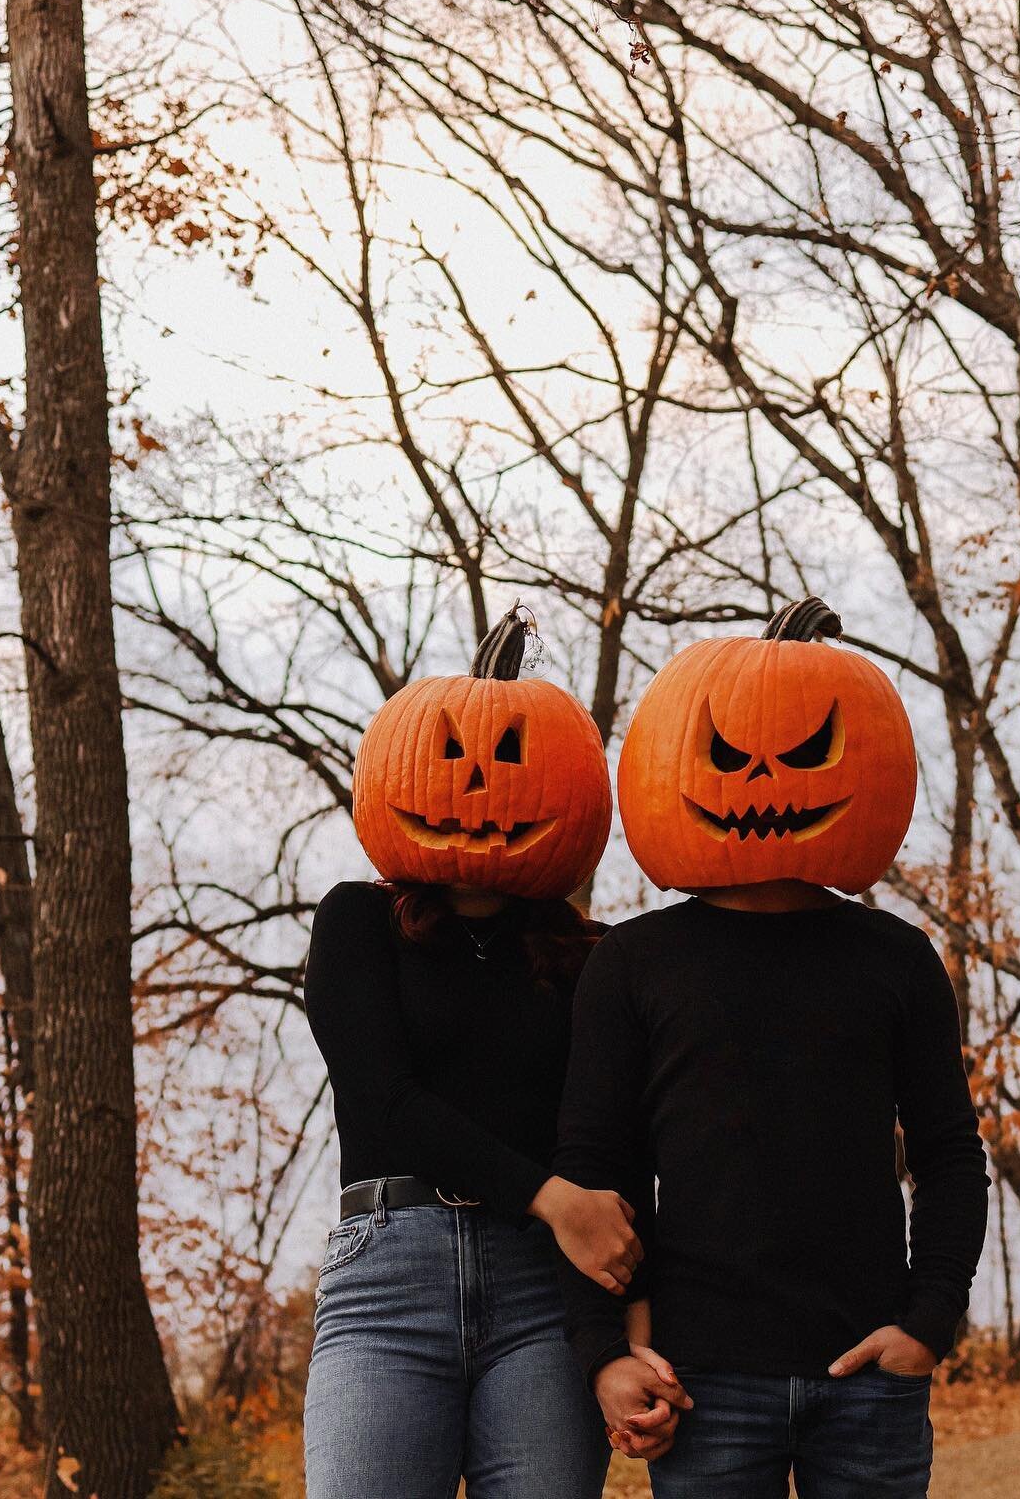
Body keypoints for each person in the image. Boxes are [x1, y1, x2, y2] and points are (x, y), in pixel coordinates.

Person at [555, 597, 990, 1497]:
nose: (762, 777)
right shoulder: (632, 963)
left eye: (802, 755)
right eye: (725, 756)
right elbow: (601, 1172)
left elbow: (950, 1156)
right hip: (702, 1380)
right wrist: (608, 1351)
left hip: (869, 1373)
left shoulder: (895, 959)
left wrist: (929, 1322)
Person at [304, 608, 640, 1499]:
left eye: (512, 766)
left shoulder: (591, 960)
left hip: (543, 1292)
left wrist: (626, 1326)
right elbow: (384, 1102)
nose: (481, 790)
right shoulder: (356, 925)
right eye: (453, 760)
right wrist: (553, 1198)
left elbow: (609, 1145)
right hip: (389, 1280)